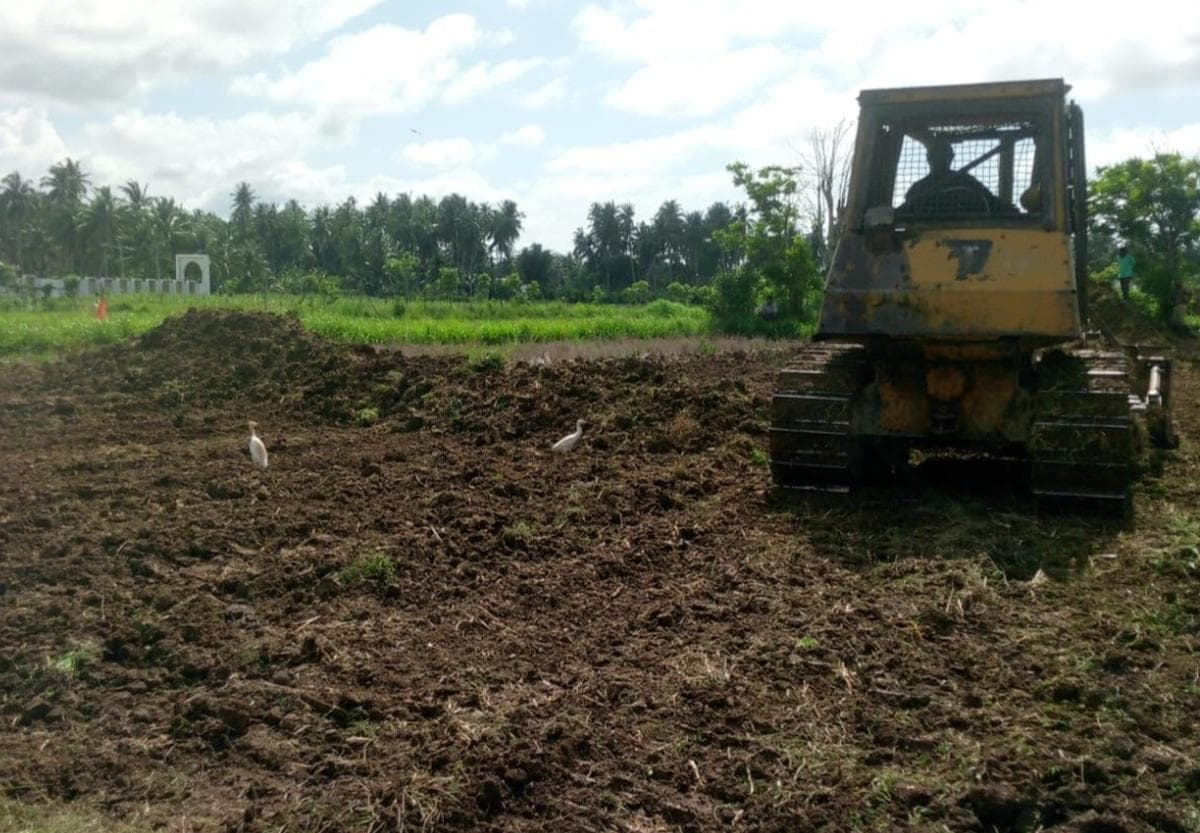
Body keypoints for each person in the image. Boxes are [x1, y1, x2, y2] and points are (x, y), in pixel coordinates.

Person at [900, 139, 1000, 215]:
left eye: (942, 155)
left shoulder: (967, 182)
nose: (939, 159)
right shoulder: (966, 181)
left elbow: (992, 202)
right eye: (937, 155)